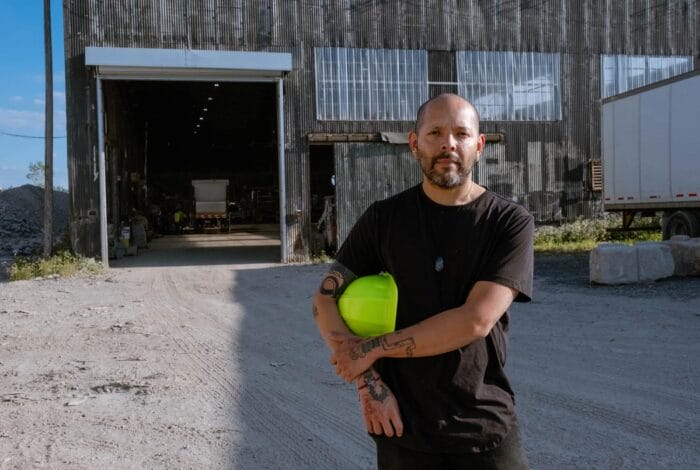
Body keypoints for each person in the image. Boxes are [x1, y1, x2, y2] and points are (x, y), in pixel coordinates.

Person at [312, 93, 534, 469]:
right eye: (435, 132)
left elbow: (476, 320)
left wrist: (372, 348)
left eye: (462, 134)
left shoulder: (508, 222)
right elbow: (324, 300)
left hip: (483, 426)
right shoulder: (384, 220)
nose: (449, 143)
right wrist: (370, 385)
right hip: (401, 426)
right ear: (415, 144)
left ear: (479, 146)